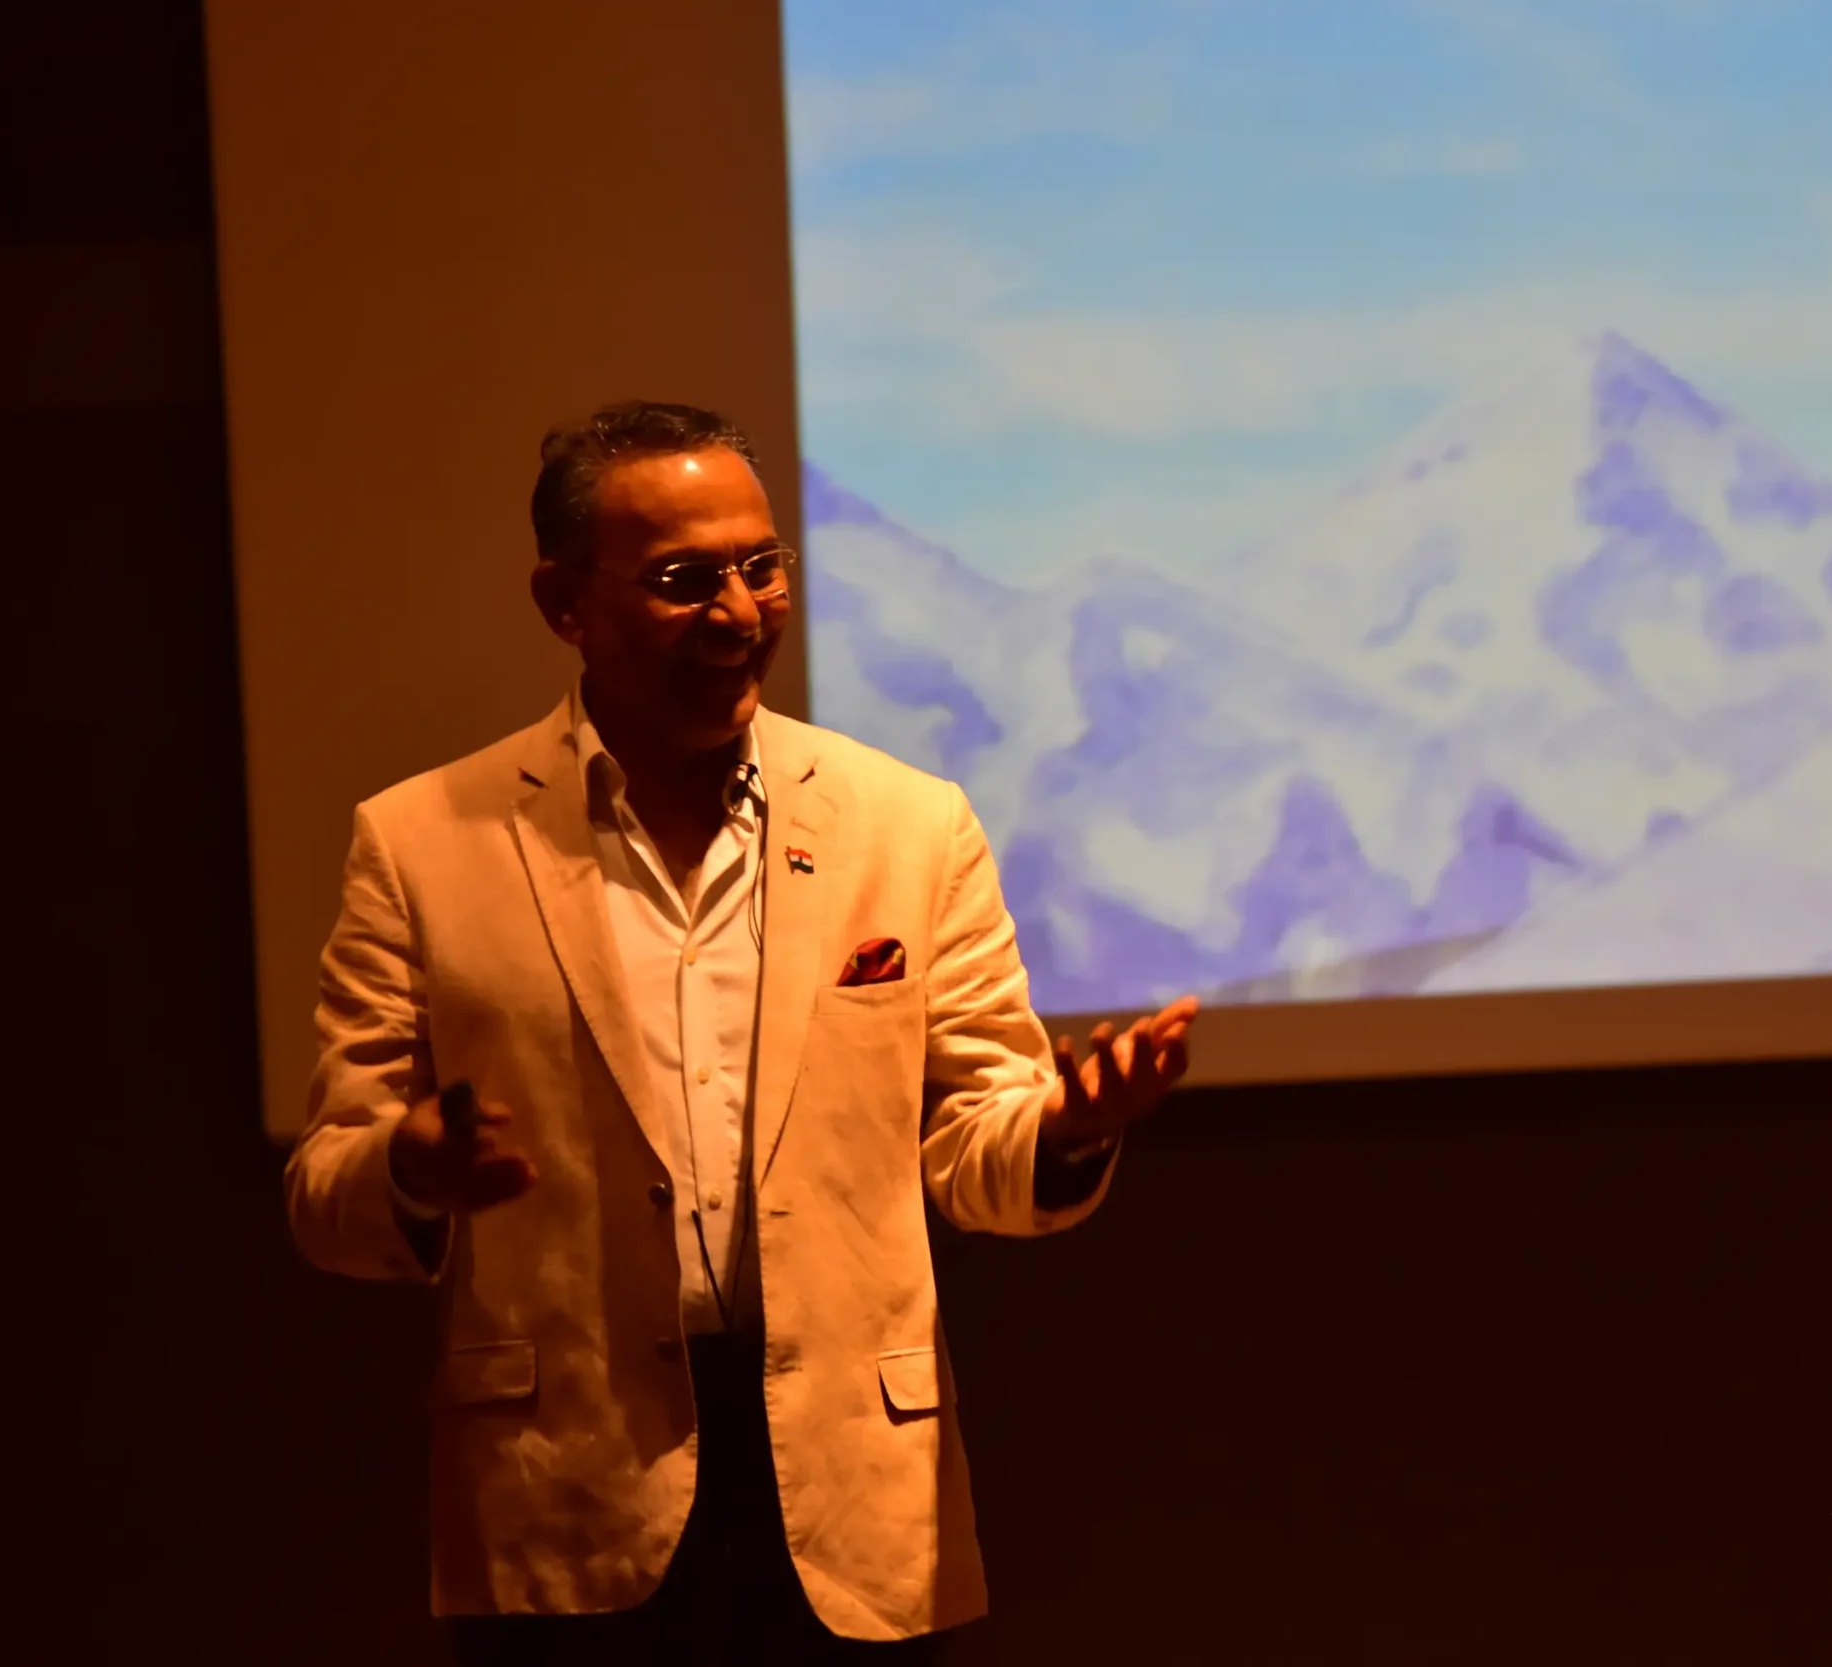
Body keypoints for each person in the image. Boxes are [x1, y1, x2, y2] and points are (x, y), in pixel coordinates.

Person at [288, 401, 1198, 1664]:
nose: (738, 613)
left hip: (851, 1500)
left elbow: (973, 1151)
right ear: (563, 602)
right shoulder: (422, 842)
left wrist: (1066, 1127)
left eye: (760, 568)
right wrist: (408, 1171)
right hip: (565, 1507)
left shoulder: (909, 825)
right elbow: (325, 1190)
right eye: (683, 581)